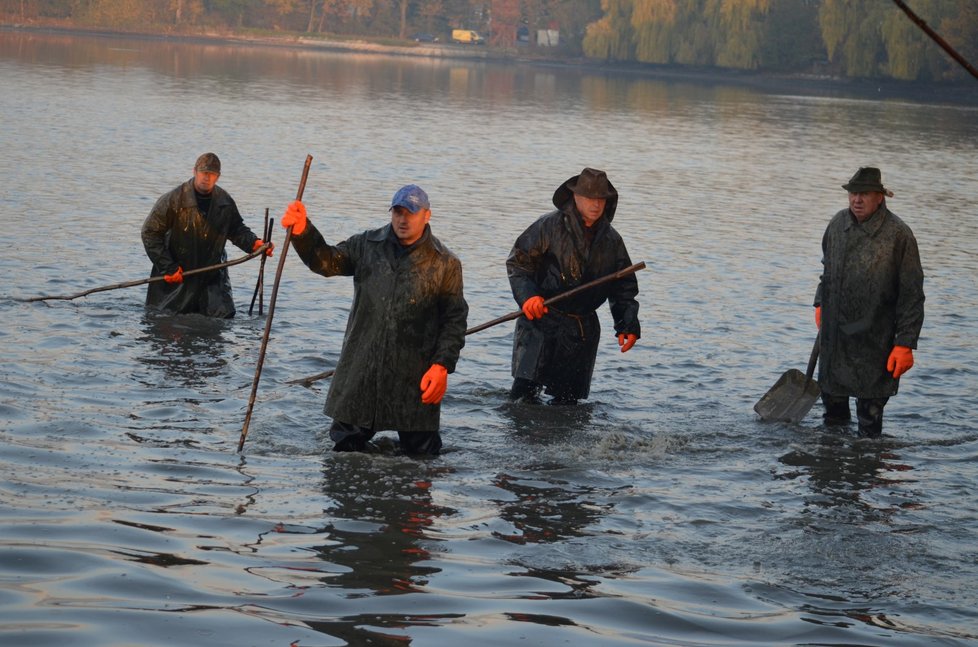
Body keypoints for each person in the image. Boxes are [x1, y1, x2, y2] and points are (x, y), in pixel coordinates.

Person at [280, 184, 468, 456]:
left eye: (411, 213)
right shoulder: (366, 245)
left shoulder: (445, 263)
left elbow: (455, 319)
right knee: (345, 453)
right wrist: (302, 231)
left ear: (426, 215)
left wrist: (441, 366)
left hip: (414, 373)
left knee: (423, 457)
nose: (403, 219)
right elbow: (326, 261)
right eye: (398, 212)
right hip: (362, 368)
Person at [506, 167, 641, 405]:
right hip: (541, 320)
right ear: (575, 197)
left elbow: (623, 287)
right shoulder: (547, 226)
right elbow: (519, 264)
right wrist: (528, 298)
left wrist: (627, 324)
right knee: (521, 400)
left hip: (581, 331)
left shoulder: (612, 240)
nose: (596, 204)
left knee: (567, 407)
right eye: (590, 197)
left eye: (601, 199)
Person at [813, 167, 924, 437]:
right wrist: (819, 303)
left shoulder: (899, 234)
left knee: (869, 426)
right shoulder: (837, 224)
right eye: (853, 194)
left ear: (880, 197)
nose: (856, 200)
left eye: (864, 194)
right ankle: (831, 471)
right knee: (833, 421)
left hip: (876, 341)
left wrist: (905, 344)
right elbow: (826, 271)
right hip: (835, 339)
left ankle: (868, 472)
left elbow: (912, 294)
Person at [141, 152, 272, 318]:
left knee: (223, 318)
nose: (207, 178)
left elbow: (237, 229)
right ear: (194, 171)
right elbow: (150, 232)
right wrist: (167, 266)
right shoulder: (173, 200)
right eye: (204, 173)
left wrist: (255, 244)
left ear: (218, 177)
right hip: (178, 276)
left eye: (212, 174)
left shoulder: (224, 201)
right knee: (169, 321)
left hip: (212, 276)